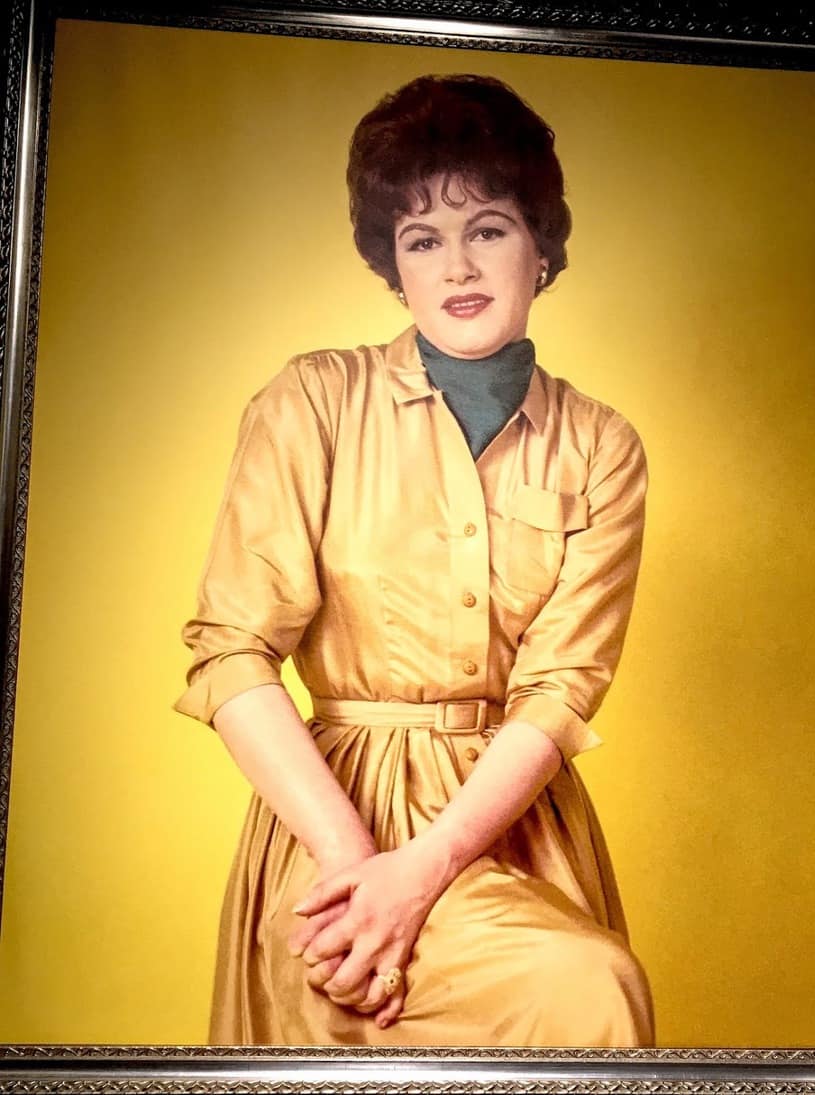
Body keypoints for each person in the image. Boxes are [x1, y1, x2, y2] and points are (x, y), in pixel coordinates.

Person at [175, 73, 654, 1047]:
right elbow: (229, 656)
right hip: (330, 823)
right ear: (393, 266)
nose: (456, 265)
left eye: (487, 226)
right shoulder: (309, 402)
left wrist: (426, 868)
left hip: (513, 825)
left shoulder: (602, 445)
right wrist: (361, 872)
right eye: (421, 239)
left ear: (541, 246)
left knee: (587, 996)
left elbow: (560, 691)